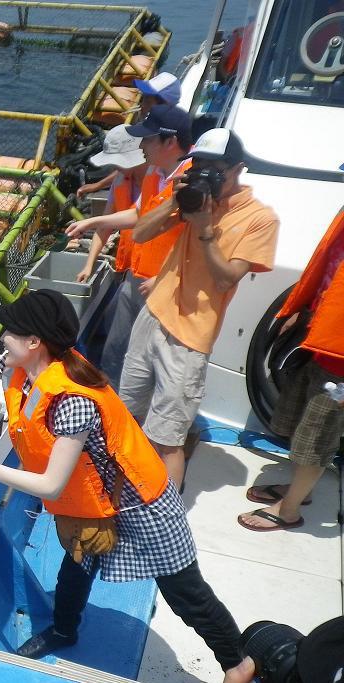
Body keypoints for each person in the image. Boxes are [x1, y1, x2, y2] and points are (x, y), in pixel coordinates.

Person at [0, 290, 242, 669]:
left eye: (9, 330)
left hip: (141, 504)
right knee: (76, 564)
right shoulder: (26, 368)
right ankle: (64, 629)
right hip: (94, 500)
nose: (1, 336)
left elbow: (50, 486)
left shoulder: (71, 401)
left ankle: (237, 662)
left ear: (34, 341)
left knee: (185, 592)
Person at [121, 128, 279, 489]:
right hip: (154, 315)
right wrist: (172, 204)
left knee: (167, 438)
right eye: (199, 166)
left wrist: (205, 229)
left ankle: (165, 520)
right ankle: (122, 493)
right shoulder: (192, 200)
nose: (205, 175)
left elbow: (226, 279)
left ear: (238, 169)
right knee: (128, 414)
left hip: (190, 336)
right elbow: (142, 235)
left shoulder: (259, 219)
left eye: (214, 169)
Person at [66, 105, 194, 391]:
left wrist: (165, 277)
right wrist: (95, 221)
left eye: (147, 139)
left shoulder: (192, 181)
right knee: (117, 348)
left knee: (151, 361)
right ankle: (111, 403)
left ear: (169, 142)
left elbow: (199, 242)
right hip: (136, 278)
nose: (142, 146)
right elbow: (139, 214)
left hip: (165, 289)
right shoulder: (155, 173)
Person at [238, 205, 344, 532]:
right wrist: (303, 311)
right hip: (316, 338)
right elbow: (331, 271)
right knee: (301, 423)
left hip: (338, 362)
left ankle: (289, 510)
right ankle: (300, 490)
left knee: (318, 434)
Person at [74, 72, 182, 201]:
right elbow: (126, 168)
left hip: (147, 203)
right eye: (143, 98)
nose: (142, 104)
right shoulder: (146, 132)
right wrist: (98, 185)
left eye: (148, 100)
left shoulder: (161, 142)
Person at [73, 124, 148, 287]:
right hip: (129, 264)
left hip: (151, 270)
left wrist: (91, 222)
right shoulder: (120, 181)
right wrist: (88, 265)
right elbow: (104, 227)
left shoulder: (161, 181)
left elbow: (138, 216)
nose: (115, 167)